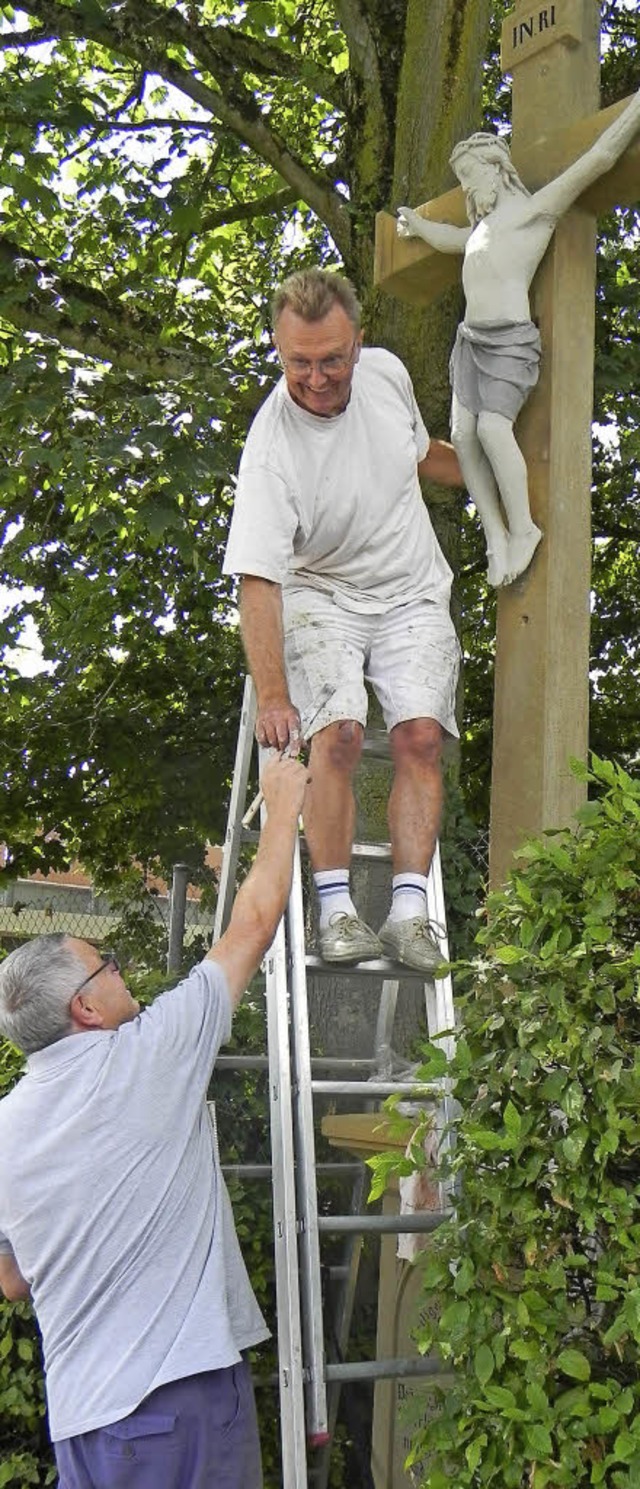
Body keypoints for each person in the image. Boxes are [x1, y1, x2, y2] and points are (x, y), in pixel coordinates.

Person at [0, 753, 309, 1489]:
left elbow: (11, 1279)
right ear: (84, 1007)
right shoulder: (146, 1057)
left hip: (84, 1421)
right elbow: (252, 924)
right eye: (105, 966)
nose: (119, 972)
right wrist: (283, 803)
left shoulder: (6, 1123)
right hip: (181, 1404)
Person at [223, 267, 463, 974]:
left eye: (331, 358)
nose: (318, 376)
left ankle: (411, 915)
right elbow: (259, 582)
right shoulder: (272, 448)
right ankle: (335, 912)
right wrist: (273, 694)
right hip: (316, 591)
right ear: (278, 350)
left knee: (421, 735)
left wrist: (506, 476)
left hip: (410, 587)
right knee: (340, 732)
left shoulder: (387, 377)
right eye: (299, 362)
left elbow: (423, 457)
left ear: (358, 344)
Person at [397, 84, 640, 588]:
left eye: (471, 176)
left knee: (490, 430)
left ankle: (524, 528)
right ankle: (495, 536)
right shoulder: (482, 231)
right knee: (464, 438)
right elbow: (453, 242)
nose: (467, 190)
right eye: (462, 182)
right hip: (470, 341)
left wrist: (636, 109)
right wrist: (420, 227)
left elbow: (597, 159)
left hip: (508, 340)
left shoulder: (533, 213)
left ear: (497, 168)